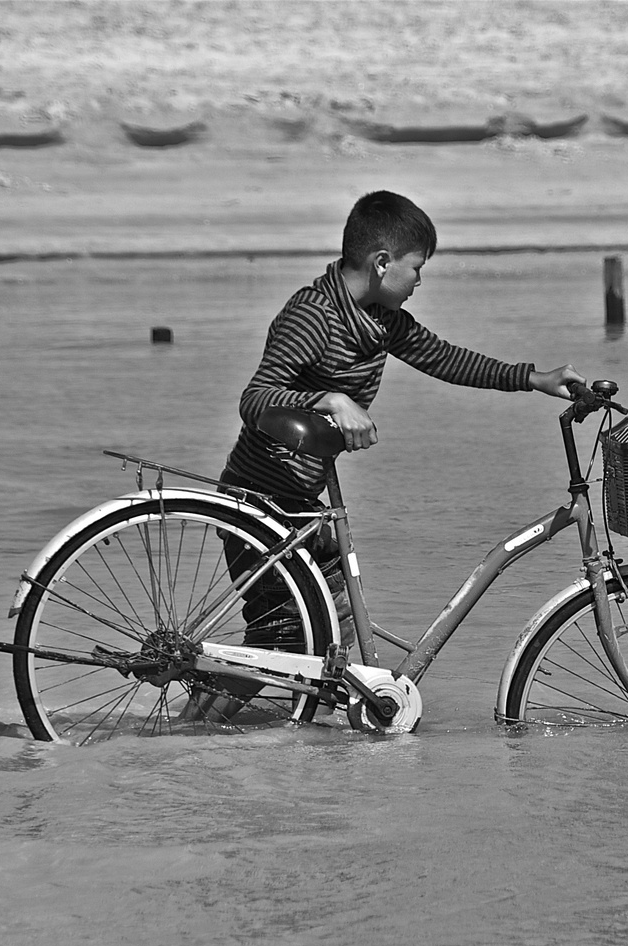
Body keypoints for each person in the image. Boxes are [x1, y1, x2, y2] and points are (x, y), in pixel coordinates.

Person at [184, 190, 583, 725]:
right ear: (381, 263)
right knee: (283, 641)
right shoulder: (312, 317)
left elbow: (444, 358)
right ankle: (187, 729)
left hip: (304, 501)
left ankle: (290, 747)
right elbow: (255, 399)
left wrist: (534, 378)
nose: (420, 280)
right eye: (417, 268)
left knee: (333, 642)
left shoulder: (380, 320)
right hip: (260, 501)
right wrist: (327, 399)